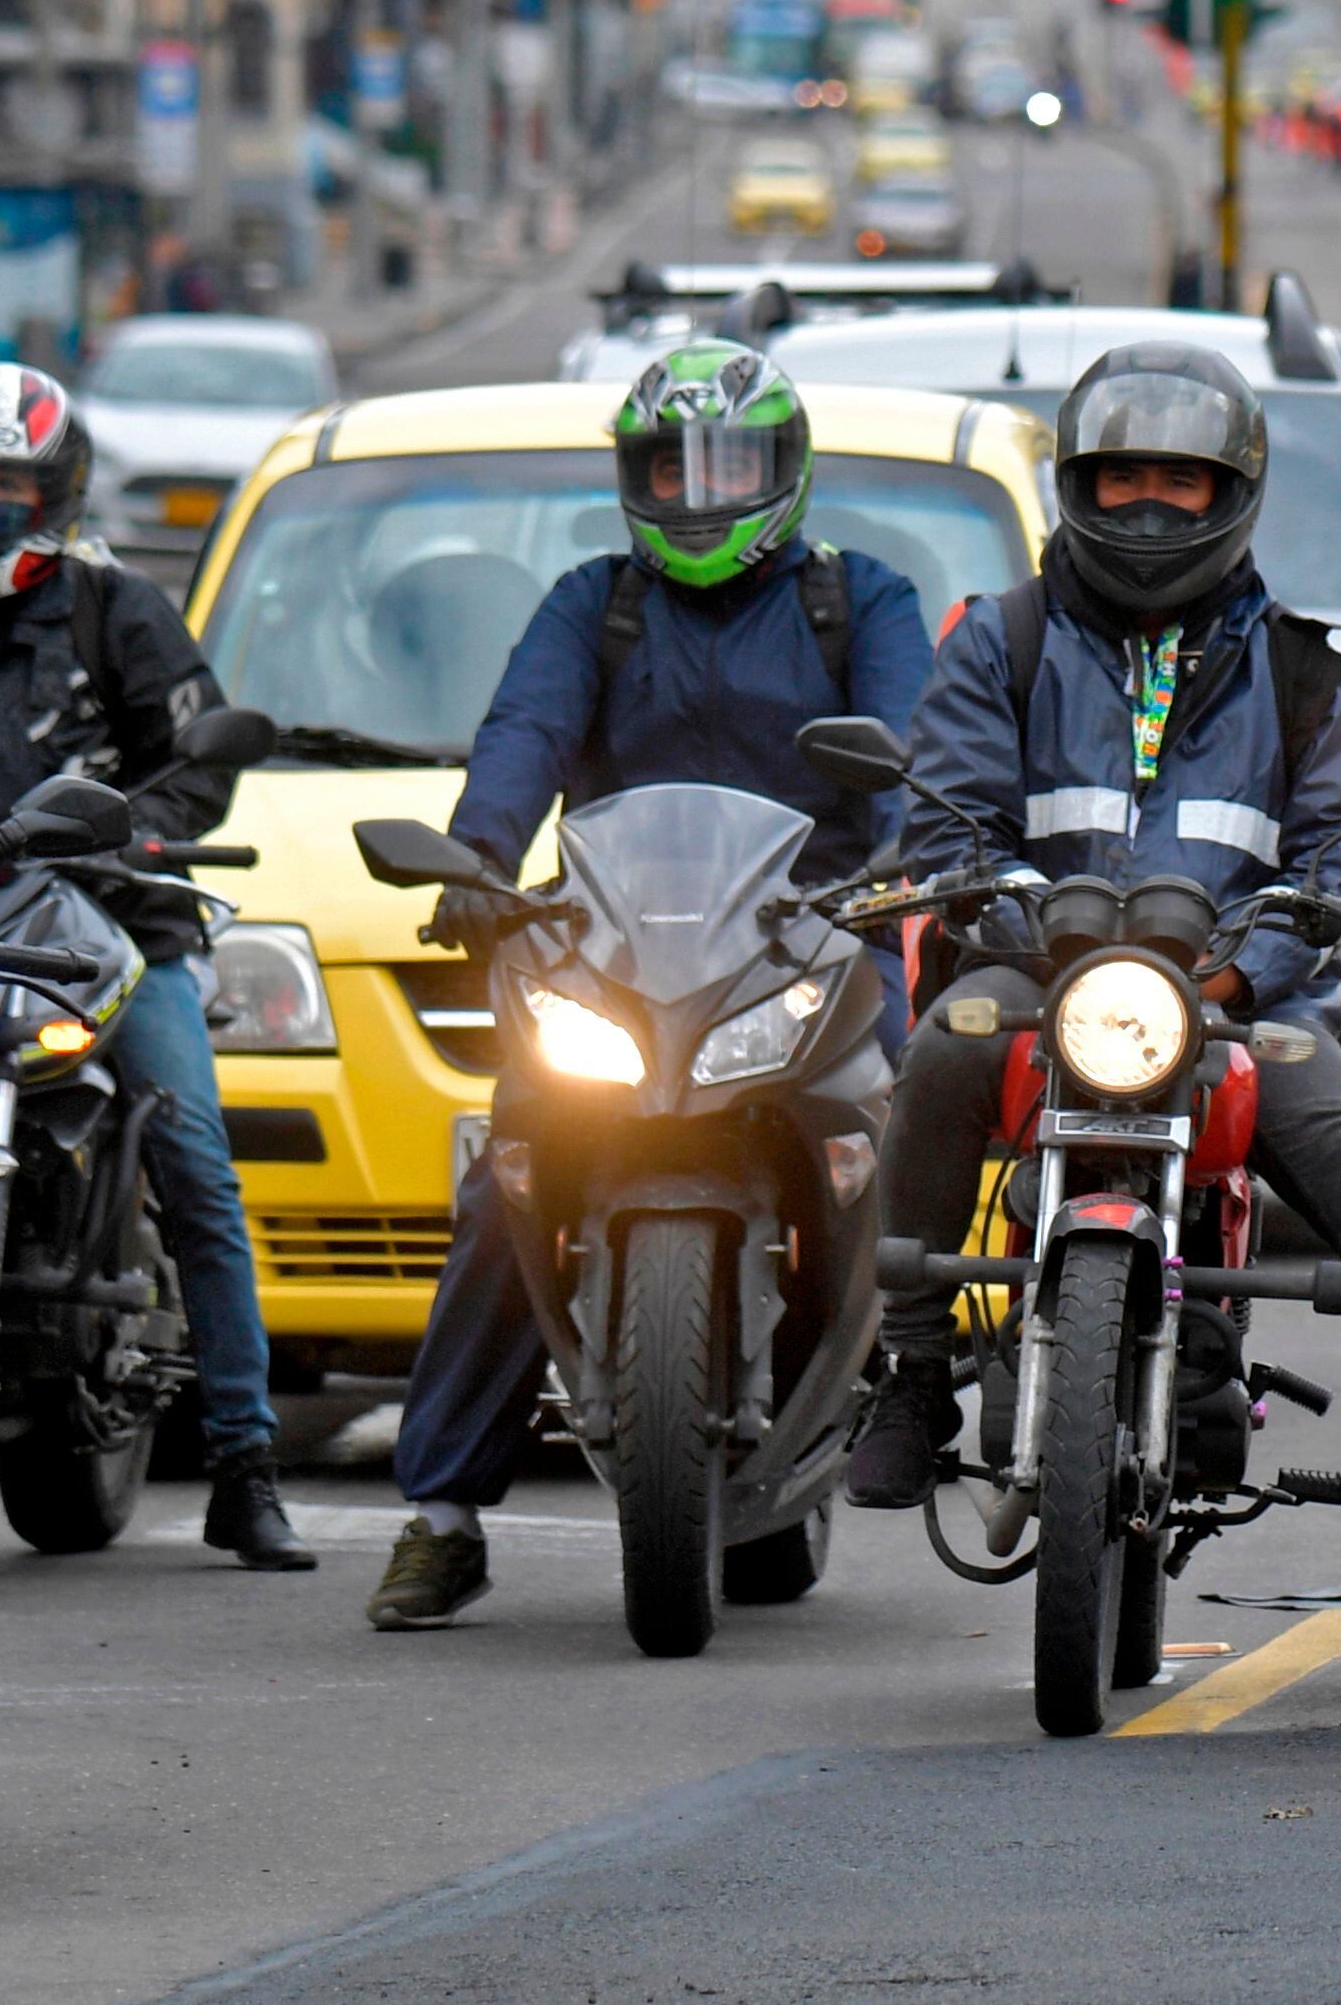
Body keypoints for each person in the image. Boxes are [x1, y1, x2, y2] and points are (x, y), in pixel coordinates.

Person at [842, 342, 1341, 1544]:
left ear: (1234, 491)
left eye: (1181, 480)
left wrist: (1252, 965)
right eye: (1121, 479)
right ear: (1076, 485)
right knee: (941, 1051)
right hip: (1031, 975)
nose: (1149, 504)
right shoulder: (999, 638)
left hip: (1231, 990)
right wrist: (1013, 917)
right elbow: (945, 813)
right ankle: (905, 1378)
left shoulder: (1307, 670)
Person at [366, 344, 931, 1631]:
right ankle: (445, 1514)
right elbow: (522, 735)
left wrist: (910, 862)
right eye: (669, 463)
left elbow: (910, 754)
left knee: (910, 1140)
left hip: (818, 941)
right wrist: (473, 865)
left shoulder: (864, 600)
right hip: (615, 956)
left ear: (785, 469)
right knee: (507, 1173)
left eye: (728, 462)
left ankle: (932, 1384)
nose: (696, 490)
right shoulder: (594, 603)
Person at [0, 362, 312, 1586]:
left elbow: (198, 757)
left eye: (10, 478)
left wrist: (135, 831)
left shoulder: (121, 611)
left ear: (56, 486)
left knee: (196, 1154)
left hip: (118, 920)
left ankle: (247, 1468)